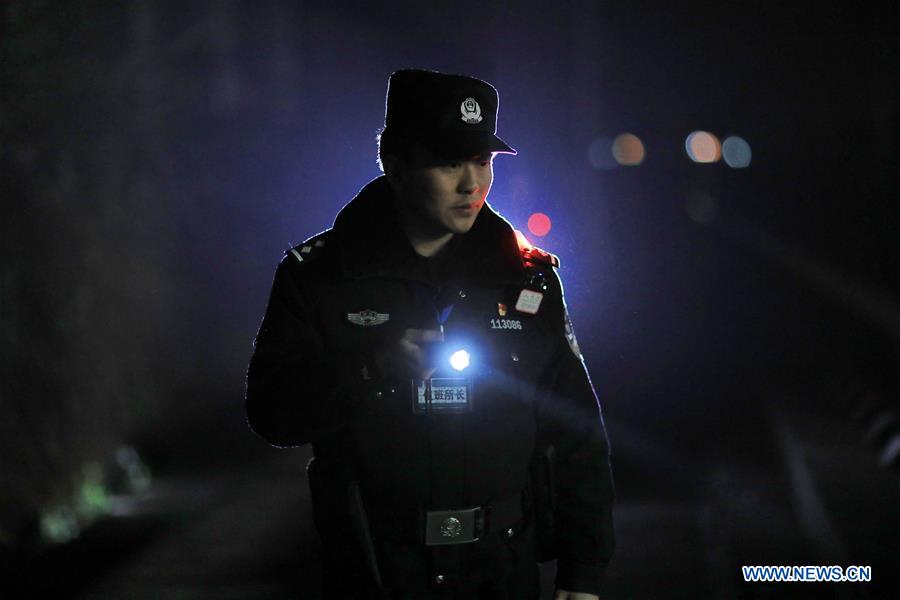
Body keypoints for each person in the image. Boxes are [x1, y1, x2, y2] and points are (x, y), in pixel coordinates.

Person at [246, 69, 614, 599]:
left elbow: (577, 431)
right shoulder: (321, 276)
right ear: (396, 168)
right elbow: (271, 414)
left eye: (482, 161)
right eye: (449, 163)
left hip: (501, 571)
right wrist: (372, 369)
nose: (472, 184)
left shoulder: (527, 277)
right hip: (375, 572)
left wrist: (584, 579)